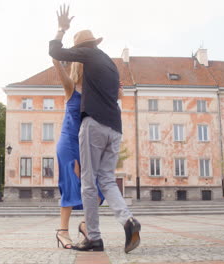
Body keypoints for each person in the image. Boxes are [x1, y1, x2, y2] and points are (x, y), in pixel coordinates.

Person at [49, 5, 141, 253]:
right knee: (107, 181)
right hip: (114, 128)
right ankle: (127, 220)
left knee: (89, 184)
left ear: (83, 48)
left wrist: (61, 30)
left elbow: (54, 50)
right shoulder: (109, 65)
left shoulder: (88, 57)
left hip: (94, 128)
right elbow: (117, 95)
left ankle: (93, 237)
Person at [53, 59, 103, 249]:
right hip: (68, 143)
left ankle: (84, 224)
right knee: (70, 184)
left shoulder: (94, 92)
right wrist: (59, 36)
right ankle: (62, 231)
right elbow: (56, 63)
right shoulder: (70, 87)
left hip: (85, 144)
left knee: (97, 189)